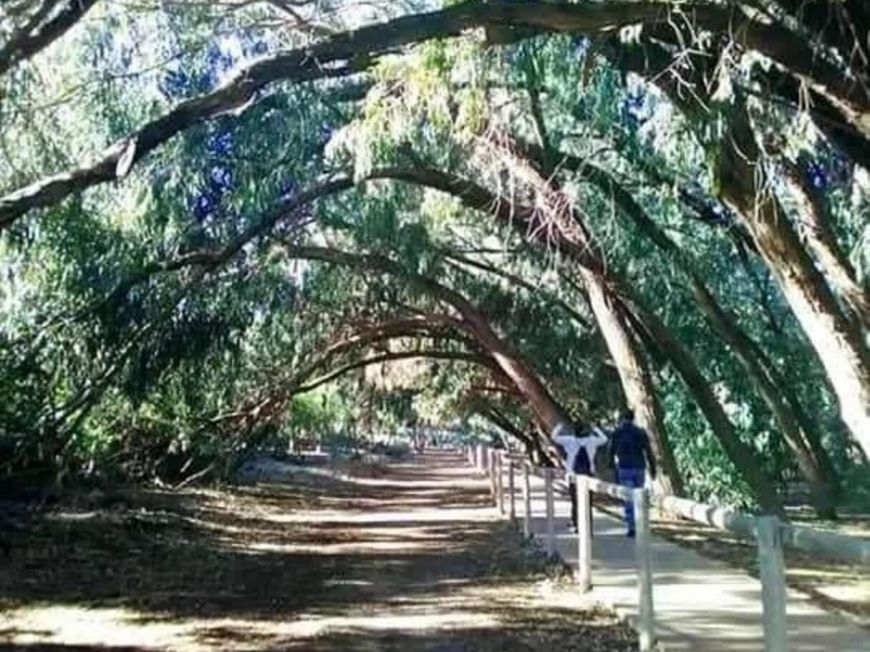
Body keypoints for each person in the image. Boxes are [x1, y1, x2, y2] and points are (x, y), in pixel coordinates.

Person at [608, 408, 657, 537]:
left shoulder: (617, 432)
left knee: (628, 498)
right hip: (639, 467)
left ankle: (632, 526)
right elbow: (648, 451)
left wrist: (611, 466)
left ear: (622, 418)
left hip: (624, 467)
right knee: (639, 496)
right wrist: (653, 467)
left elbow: (611, 450)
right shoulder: (640, 432)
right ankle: (641, 522)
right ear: (633, 418)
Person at [553, 422, 607, 532]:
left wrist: (559, 426)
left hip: (573, 476)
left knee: (575, 502)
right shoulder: (592, 440)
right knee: (588, 503)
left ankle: (576, 524)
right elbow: (604, 439)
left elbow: (554, 437)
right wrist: (596, 428)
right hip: (588, 476)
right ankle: (588, 527)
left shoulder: (569, 440)